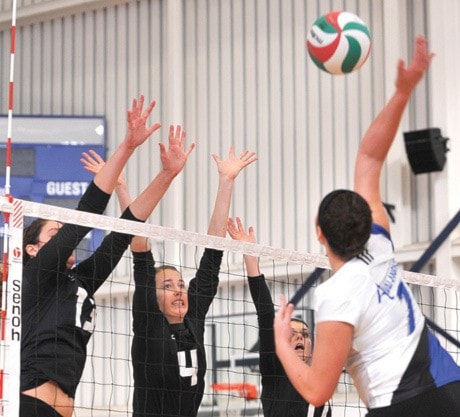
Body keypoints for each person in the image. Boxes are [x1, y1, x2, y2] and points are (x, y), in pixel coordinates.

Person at [274, 36, 460, 417]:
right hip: (450, 386)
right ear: (370, 221)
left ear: (319, 232)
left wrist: (280, 344)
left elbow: (317, 391)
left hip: (401, 406)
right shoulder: (379, 243)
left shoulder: (335, 295)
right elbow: (370, 155)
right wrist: (403, 91)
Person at [20, 94, 195, 417]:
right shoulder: (37, 273)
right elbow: (88, 211)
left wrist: (167, 175)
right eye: (53, 233)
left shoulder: (80, 280)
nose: (62, 237)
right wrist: (127, 146)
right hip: (30, 405)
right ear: (33, 249)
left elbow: (123, 231)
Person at [129, 147, 257, 417]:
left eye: (181, 284)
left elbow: (212, 255)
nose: (178, 290)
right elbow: (140, 250)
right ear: (152, 298)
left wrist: (226, 183)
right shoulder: (148, 323)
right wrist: (120, 188)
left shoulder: (193, 317)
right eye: (167, 286)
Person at [228, 217, 331, 417]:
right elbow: (265, 313)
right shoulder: (274, 370)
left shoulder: (321, 383)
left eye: (306, 334)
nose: (301, 337)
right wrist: (251, 256)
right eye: (292, 333)